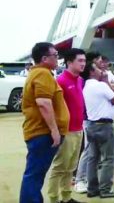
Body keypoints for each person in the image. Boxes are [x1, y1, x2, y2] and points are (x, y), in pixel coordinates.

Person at [19, 42, 69, 203]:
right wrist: (54, 130)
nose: (58, 58)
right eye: (55, 55)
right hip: (43, 133)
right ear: (44, 58)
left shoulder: (40, 73)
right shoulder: (42, 74)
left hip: (41, 133)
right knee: (34, 176)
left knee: (35, 175)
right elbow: (43, 102)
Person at [46, 48, 87, 203]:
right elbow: (53, 107)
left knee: (71, 167)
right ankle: (54, 199)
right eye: (80, 61)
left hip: (78, 129)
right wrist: (55, 130)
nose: (83, 64)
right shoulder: (61, 81)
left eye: (84, 60)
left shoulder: (79, 80)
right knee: (59, 168)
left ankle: (66, 197)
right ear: (70, 62)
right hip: (66, 131)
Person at [83, 62, 114, 198]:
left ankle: (92, 188)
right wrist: (106, 80)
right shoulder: (100, 85)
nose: (101, 71)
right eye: (97, 69)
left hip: (91, 124)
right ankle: (106, 189)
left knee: (93, 158)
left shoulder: (86, 86)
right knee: (109, 158)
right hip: (104, 125)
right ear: (92, 72)